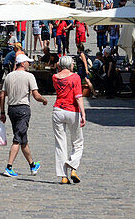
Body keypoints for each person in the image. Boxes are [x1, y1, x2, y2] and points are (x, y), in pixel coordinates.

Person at [0, 54, 48, 177]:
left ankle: (32, 165)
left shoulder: (9, 76)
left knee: (23, 139)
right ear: (22, 63)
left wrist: (2, 112)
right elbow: (36, 96)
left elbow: (2, 96)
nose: (29, 64)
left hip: (11, 109)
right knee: (17, 138)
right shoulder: (29, 76)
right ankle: (9, 167)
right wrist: (44, 100)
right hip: (23, 109)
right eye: (27, 62)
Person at [51, 55, 86, 185]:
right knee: (77, 142)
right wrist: (83, 113)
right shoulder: (75, 77)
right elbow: (78, 96)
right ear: (70, 65)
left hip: (58, 110)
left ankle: (63, 176)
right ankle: (72, 165)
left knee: (60, 144)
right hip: (72, 111)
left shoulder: (55, 77)